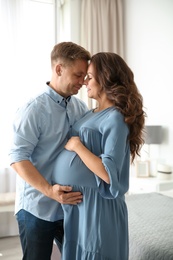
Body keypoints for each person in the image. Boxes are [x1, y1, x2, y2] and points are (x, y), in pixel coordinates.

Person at [52, 52, 146, 260]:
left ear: (106, 78)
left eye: (90, 76)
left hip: (99, 206)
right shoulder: (91, 113)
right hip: (81, 206)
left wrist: (77, 146)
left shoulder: (115, 118)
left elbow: (107, 173)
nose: (85, 81)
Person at [8, 42, 91, 260]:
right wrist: (49, 190)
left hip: (69, 209)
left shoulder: (80, 108)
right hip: (36, 208)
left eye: (85, 77)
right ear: (59, 69)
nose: (83, 82)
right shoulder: (33, 109)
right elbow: (17, 158)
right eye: (78, 75)